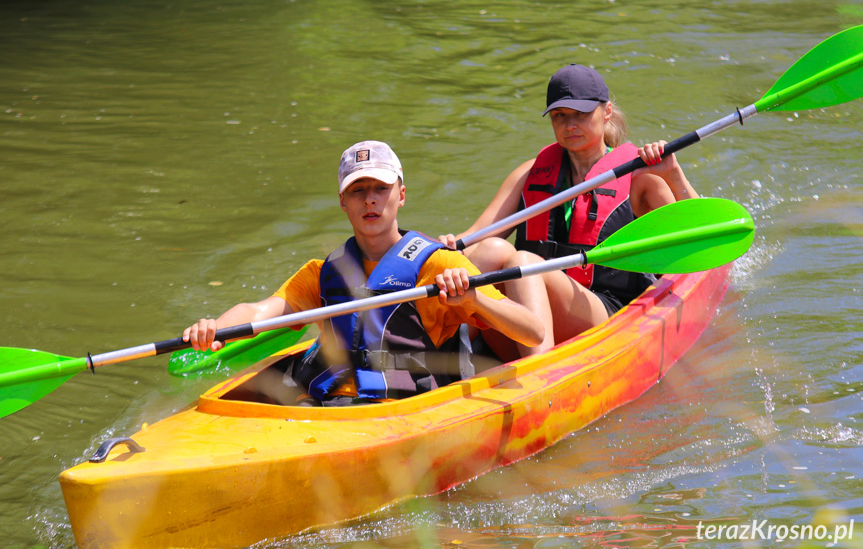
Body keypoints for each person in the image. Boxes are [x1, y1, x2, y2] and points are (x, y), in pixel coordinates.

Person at [184, 140, 544, 406]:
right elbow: (260, 312)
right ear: (343, 202)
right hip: (330, 401)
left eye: (380, 189)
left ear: (401, 195)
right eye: (357, 191)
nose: (369, 200)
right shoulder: (324, 272)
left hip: (401, 409)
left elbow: (531, 332)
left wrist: (474, 297)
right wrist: (216, 329)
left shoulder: (440, 265)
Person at [440, 64, 698, 361]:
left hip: (604, 316)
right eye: (560, 116)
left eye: (580, 114)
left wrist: (674, 174)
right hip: (526, 320)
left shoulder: (640, 179)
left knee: (522, 261)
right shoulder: (532, 173)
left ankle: (541, 377)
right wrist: (439, 251)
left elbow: (694, 240)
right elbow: (472, 239)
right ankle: (445, 352)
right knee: (488, 250)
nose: (569, 125)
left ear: (607, 112)